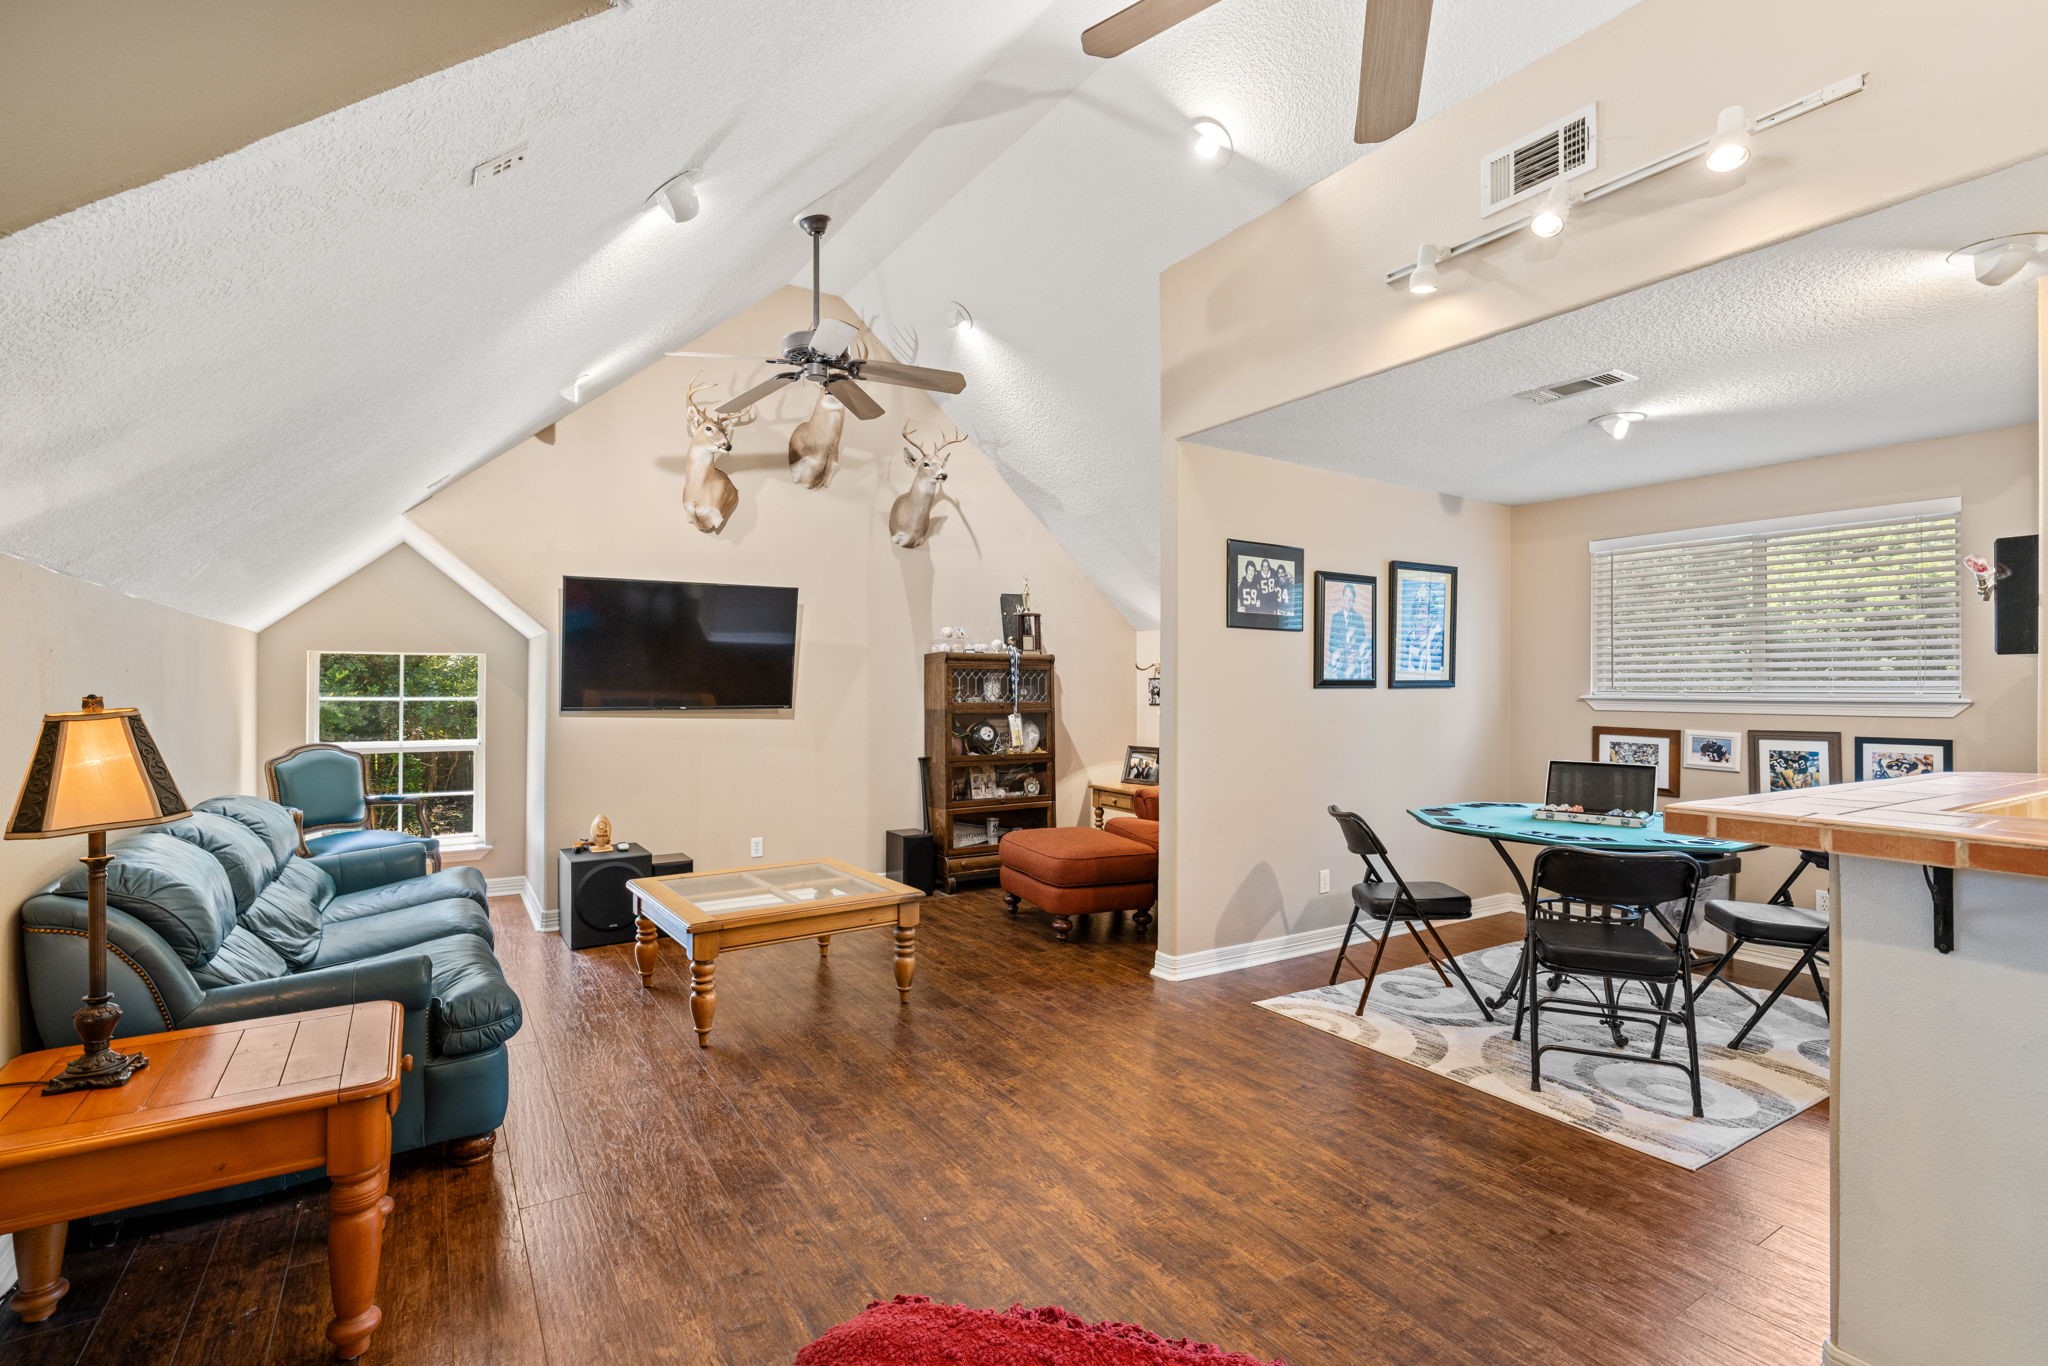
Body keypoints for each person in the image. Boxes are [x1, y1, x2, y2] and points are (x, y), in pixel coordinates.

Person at [1324, 583, 1368, 679]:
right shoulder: (1335, 617)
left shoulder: (1359, 618)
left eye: (1351, 596)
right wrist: (1342, 654)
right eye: (1347, 596)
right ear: (1343, 597)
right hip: (1340, 660)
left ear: (1354, 599)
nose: (1349, 599)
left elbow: (1363, 642)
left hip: (1353, 661)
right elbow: (1331, 644)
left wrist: (1356, 654)